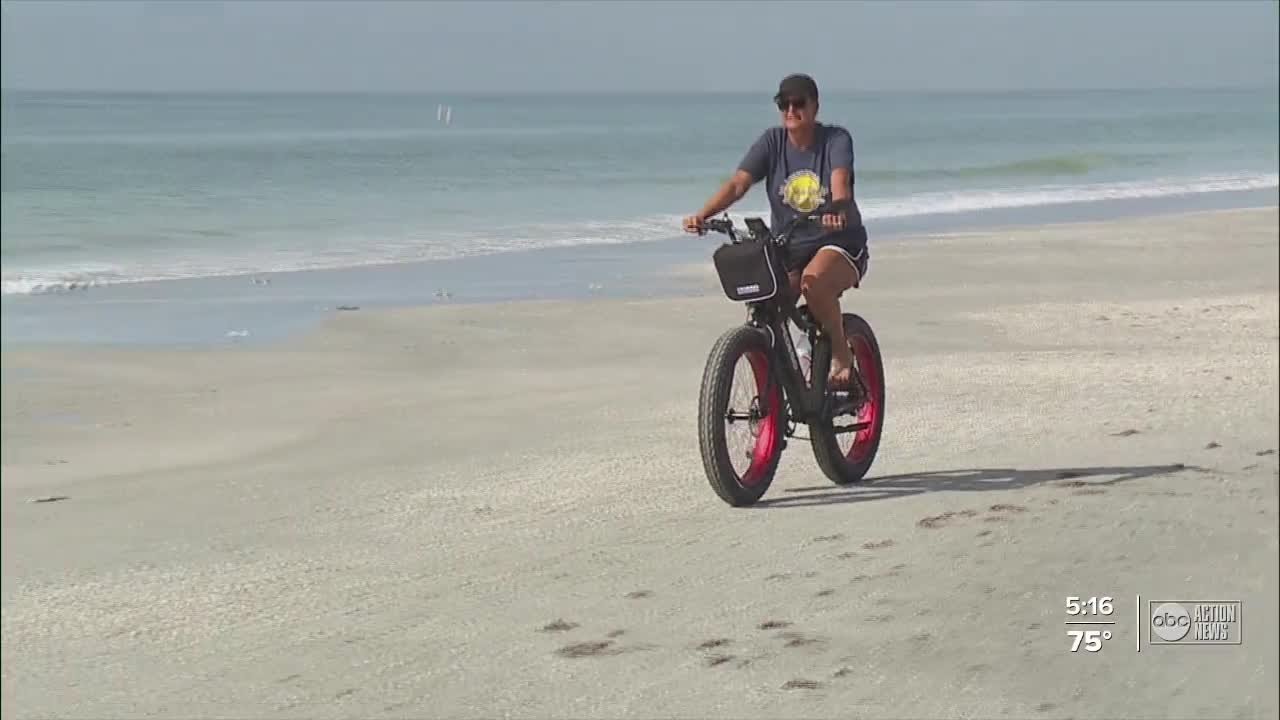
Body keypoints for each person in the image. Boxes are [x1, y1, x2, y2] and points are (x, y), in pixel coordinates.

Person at [683, 73, 869, 389]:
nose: (791, 110)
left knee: (813, 285)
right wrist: (703, 215)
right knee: (768, 301)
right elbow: (738, 184)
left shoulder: (836, 140)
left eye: (799, 103)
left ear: (815, 106)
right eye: (784, 104)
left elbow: (840, 184)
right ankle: (784, 380)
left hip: (839, 243)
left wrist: (838, 209)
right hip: (791, 247)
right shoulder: (772, 142)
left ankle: (841, 356)